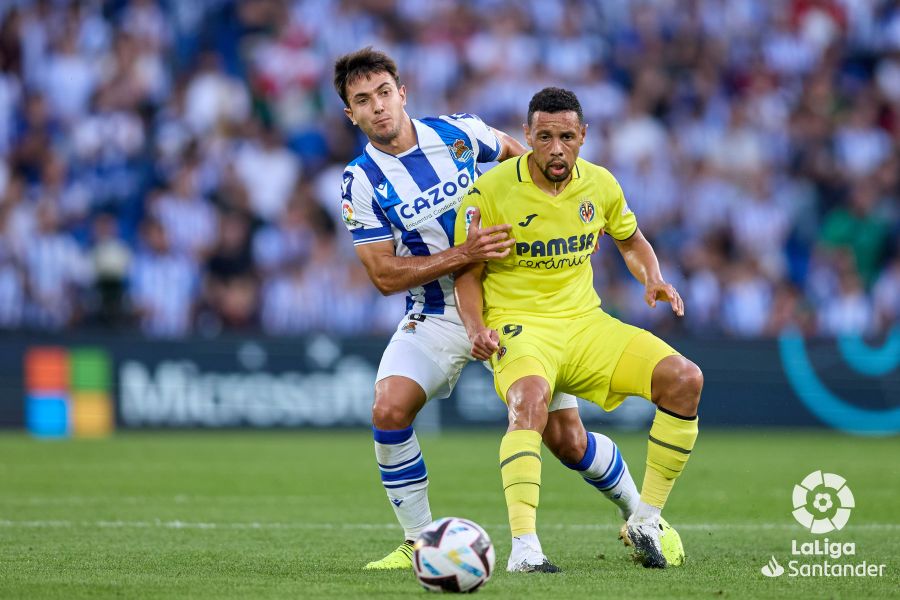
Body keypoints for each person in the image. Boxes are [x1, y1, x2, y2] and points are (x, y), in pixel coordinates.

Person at [334, 49, 643, 571]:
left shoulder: (459, 134)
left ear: (402, 93)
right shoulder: (359, 182)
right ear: (351, 114)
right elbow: (384, 275)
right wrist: (464, 255)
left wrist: (554, 219)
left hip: (522, 305)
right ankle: (418, 539)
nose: (378, 107)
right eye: (363, 101)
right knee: (388, 409)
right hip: (438, 314)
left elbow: (523, 160)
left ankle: (642, 516)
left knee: (567, 442)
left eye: (384, 92)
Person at [454, 87, 702, 571]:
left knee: (684, 378)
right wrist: (476, 327)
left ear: (583, 136)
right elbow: (469, 271)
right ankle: (525, 549)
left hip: (585, 324)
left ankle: (646, 519)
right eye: (543, 137)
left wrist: (652, 277)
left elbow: (631, 240)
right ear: (527, 135)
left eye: (566, 136)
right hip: (520, 327)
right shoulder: (491, 191)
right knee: (528, 401)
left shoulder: (601, 185)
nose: (555, 148)